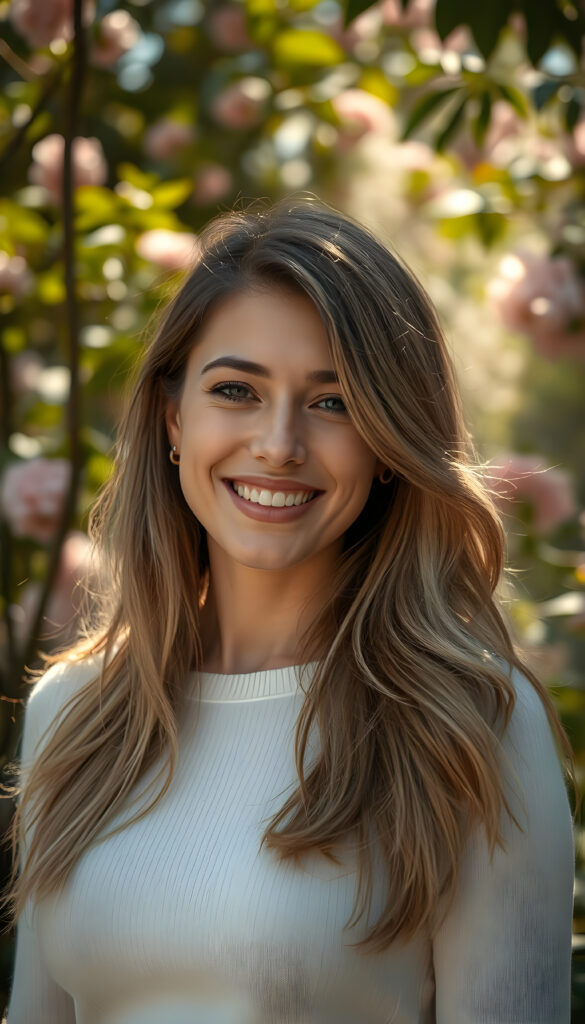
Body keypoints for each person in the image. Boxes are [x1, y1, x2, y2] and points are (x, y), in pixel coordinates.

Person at [4, 198, 575, 1024]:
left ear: (387, 444)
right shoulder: (73, 712)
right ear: (173, 418)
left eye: (333, 402)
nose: (278, 444)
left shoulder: (471, 724)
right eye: (236, 389)